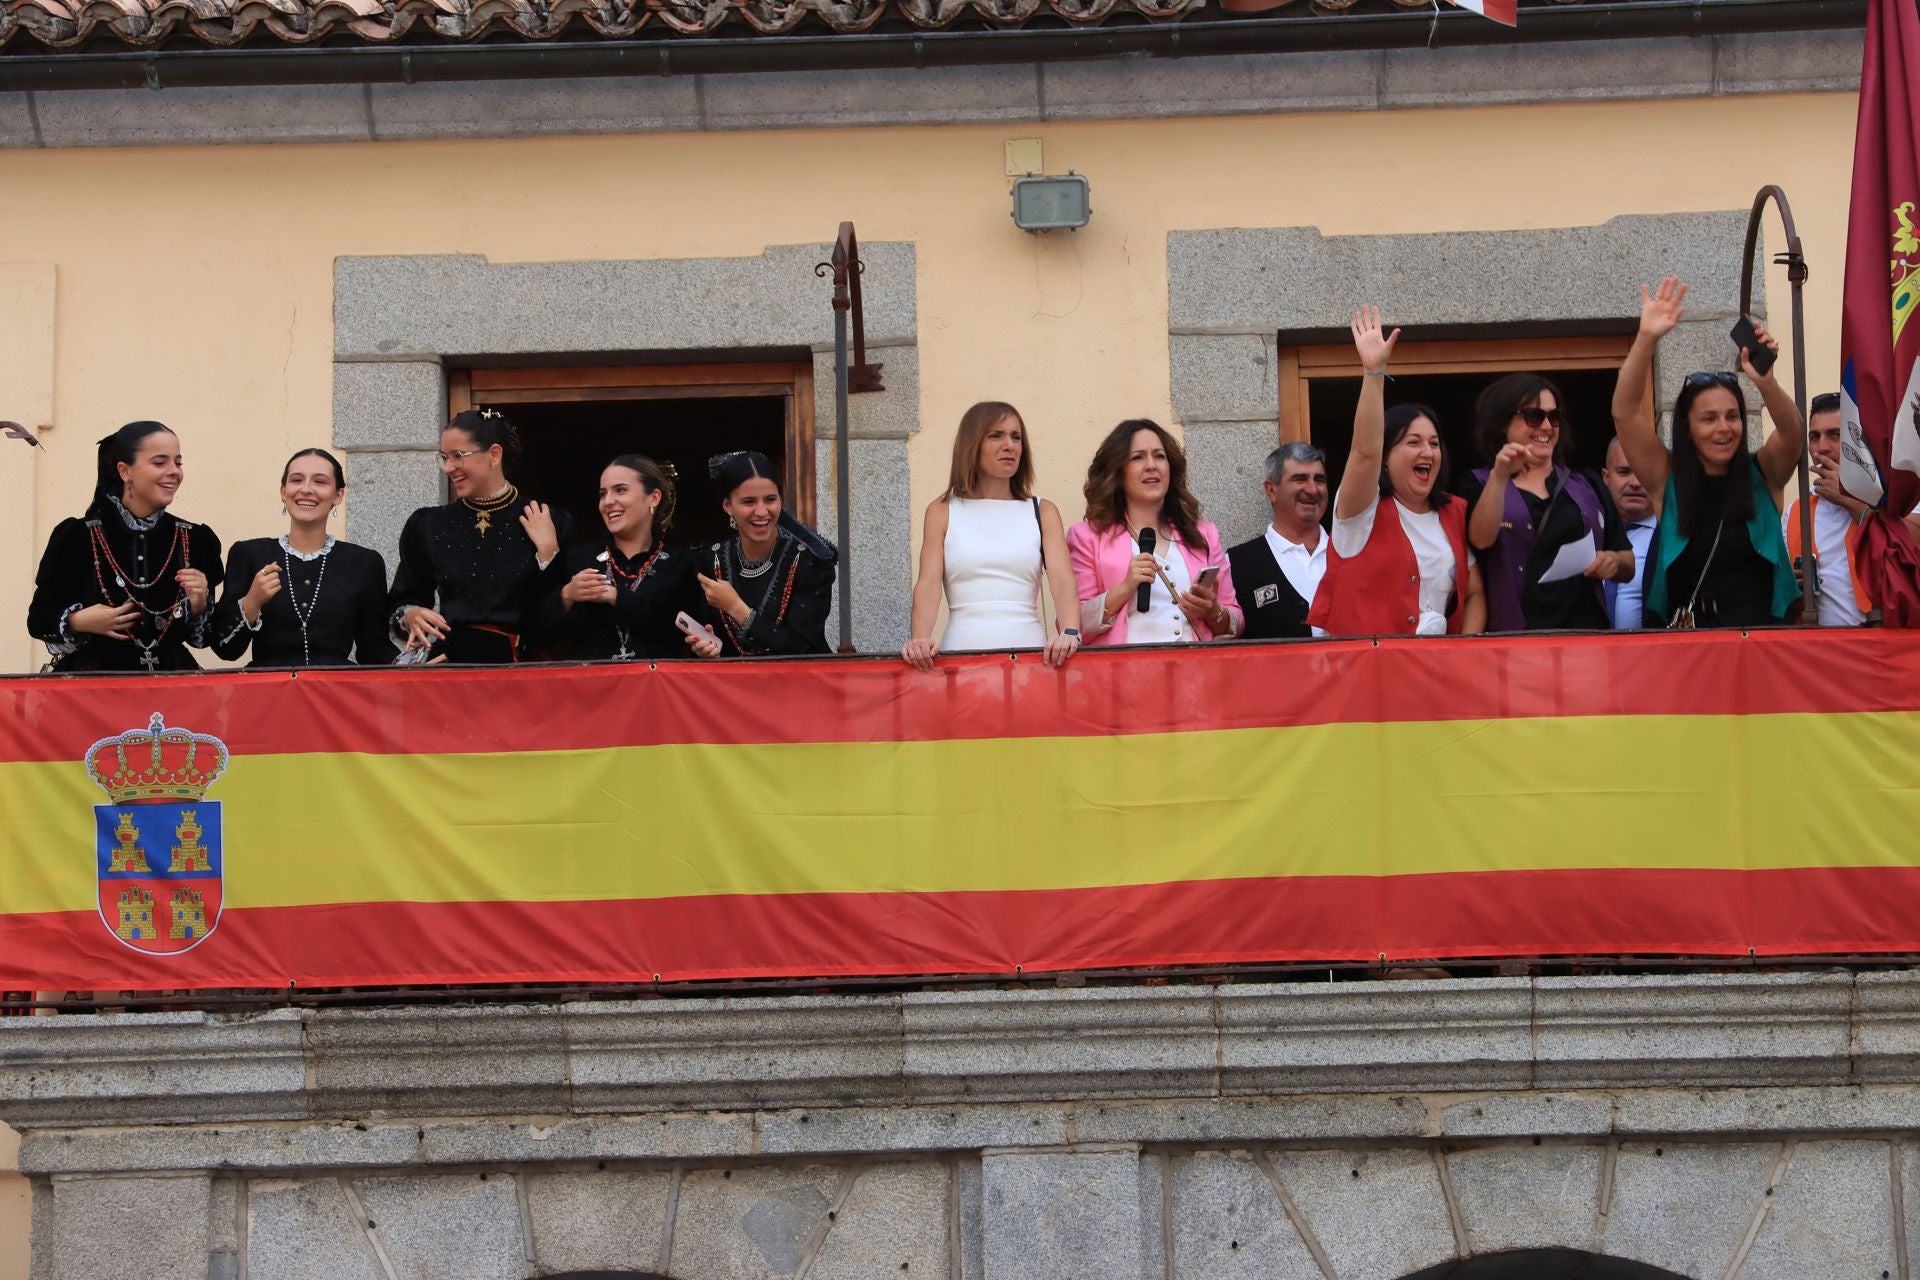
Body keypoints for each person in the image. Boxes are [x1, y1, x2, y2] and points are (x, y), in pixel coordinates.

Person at [1610, 277, 1803, 629]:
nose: (1724, 428)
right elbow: (1624, 412)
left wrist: (1766, 383)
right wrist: (1645, 339)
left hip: (1763, 640)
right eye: (1709, 419)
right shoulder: (1665, 479)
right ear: (1688, 427)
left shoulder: (1764, 475)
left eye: (1732, 416)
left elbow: (1792, 432)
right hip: (1692, 643)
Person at [1309, 307, 1487, 637]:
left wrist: (1464, 650)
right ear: (1386, 456)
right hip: (1369, 664)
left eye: (1434, 443)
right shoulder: (1360, 512)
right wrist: (1373, 372)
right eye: (1413, 442)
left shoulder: (1452, 513)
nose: (1427, 452)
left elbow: (1474, 592)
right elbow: (1364, 452)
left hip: (1436, 665)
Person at [27, 421, 223, 672]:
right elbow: (39, 618)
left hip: (172, 680)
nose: (174, 471)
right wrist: (78, 620)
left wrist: (199, 604)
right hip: (95, 683)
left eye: (178, 463)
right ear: (124, 471)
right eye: (160, 462)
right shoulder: (78, 536)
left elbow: (204, 638)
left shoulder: (194, 539)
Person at [902, 402, 1081, 669]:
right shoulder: (942, 510)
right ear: (972, 444)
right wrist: (919, 640)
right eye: (996, 435)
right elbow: (928, 583)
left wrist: (1070, 632)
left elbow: (1062, 580)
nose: (1010, 445)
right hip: (961, 657)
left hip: (1029, 660)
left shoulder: (1043, 511)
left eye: (1016, 437)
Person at [388, 408, 571, 664]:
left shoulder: (549, 520)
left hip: (520, 669)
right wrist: (410, 614)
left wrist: (548, 554)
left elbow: (558, 616)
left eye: (458, 456)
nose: (448, 468)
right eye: (444, 458)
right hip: (451, 668)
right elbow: (403, 599)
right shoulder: (428, 524)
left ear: (494, 455)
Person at [1461, 373, 1633, 632]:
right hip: (1514, 641)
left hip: (1584, 638)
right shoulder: (1480, 483)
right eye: (1534, 416)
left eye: (1554, 417)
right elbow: (1481, 539)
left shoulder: (1587, 484)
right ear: (1503, 423)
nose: (1546, 426)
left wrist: (1613, 562)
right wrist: (1500, 475)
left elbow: (1628, 563)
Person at [209, 449, 396, 667]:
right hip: (267, 686)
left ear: (338, 495)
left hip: (335, 687)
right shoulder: (248, 554)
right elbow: (225, 649)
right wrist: (252, 602)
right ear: (283, 491)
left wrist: (414, 663)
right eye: (297, 480)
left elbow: (374, 649)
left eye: (320, 482)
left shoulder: (364, 563)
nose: (306, 489)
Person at [1067, 419, 1242, 645]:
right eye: (1137, 457)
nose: (1151, 465)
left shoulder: (1203, 533)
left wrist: (1212, 611)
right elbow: (1073, 626)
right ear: (1117, 472)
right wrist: (1124, 588)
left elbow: (1236, 622)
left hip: (1193, 664)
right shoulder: (1087, 537)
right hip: (1125, 666)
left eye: (1159, 456)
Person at [539, 455, 721, 661]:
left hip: (658, 680)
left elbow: (688, 626)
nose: (608, 501)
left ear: (653, 498)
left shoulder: (682, 562)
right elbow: (541, 633)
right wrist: (566, 595)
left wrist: (706, 648)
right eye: (603, 494)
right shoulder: (580, 559)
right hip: (592, 680)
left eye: (621, 490)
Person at [697, 450, 838, 656]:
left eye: (770, 499)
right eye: (749, 502)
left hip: (800, 676)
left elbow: (803, 647)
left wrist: (737, 608)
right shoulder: (710, 560)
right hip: (731, 677)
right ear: (728, 506)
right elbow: (706, 636)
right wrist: (706, 649)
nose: (762, 511)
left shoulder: (810, 563)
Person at [1782, 392, 1873, 627]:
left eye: (1836, 434)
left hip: (1879, 640)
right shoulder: (1795, 512)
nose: (1821, 448)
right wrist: (1789, 590)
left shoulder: (1894, 497)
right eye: (1814, 436)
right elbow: (1780, 594)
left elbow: (1908, 546)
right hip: (1816, 644)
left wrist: (1848, 498)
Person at [1226, 441, 1329, 639]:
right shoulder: (1236, 563)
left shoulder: (1348, 555)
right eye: (1299, 479)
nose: (1312, 490)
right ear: (1271, 490)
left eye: (1319, 480)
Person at [1602, 436, 1660, 630]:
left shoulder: (1671, 540)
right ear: (1606, 478)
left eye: (1643, 473)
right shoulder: (1588, 532)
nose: (1635, 482)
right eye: (1624, 472)